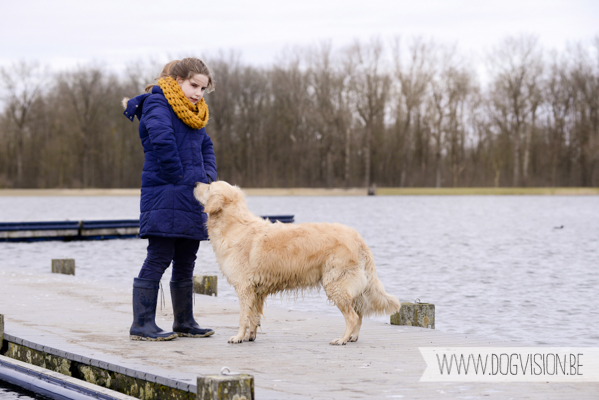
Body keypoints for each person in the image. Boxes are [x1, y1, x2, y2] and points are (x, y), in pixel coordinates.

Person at [123, 58, 217, 341]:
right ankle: (141, 324)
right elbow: (162, 140)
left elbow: (206, 146)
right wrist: (179, 176)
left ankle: (184, 321)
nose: (198, 93)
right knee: (160, 254)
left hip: (192, 194)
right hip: (165, 190)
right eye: (193, 85)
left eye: (203, 88)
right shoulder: (157, 102)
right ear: (177, 80)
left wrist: (206, 177)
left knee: (188, 256)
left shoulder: (195, 112)